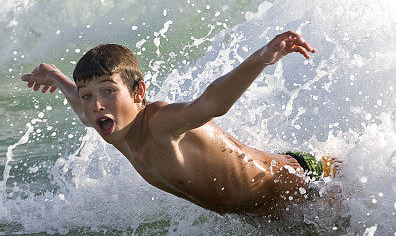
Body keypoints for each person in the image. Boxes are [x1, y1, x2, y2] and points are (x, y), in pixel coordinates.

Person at [21, 31, 337, 220]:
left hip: (308, 186)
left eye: (108, 90)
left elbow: (211, 104)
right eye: (89, 96)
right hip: (270, 216)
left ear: (138, 93)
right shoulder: (112, 125)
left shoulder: (159, 122)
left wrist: (262, 57)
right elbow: (80, 106)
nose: (96, 105)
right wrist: (52, 76)